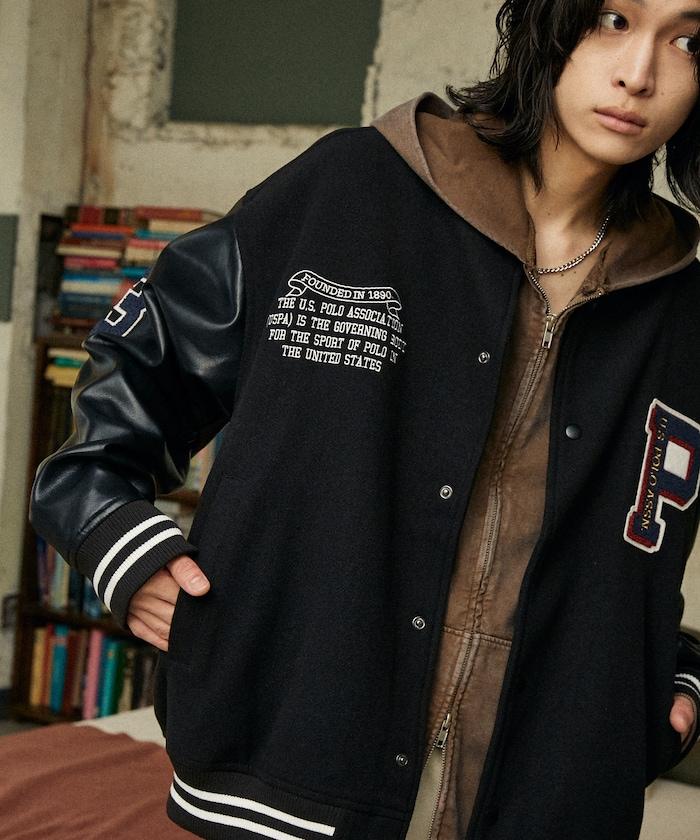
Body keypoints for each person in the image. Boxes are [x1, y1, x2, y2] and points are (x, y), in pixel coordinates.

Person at [30, 0, 700, 838]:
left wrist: (667, 673)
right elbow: (138, 370)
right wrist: (112, 537)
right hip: (295, 767)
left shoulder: (678, 301)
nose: (639, 74)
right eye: (612, 19)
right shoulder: (351, 189)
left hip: (552, 797)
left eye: (689, 40)